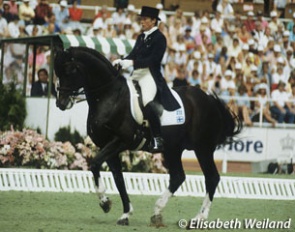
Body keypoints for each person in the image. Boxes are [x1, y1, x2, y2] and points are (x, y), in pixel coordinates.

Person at [112, 6, 180, 153]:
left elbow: (154, 60)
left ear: (153, 21)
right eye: (141, 19)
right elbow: (133, 54)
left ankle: (157, 138)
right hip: (137, 74)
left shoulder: (160, 38)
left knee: (147, 100)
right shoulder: (141, 37)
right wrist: (122, 61)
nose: (141, 22)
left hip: (150, 75)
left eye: (144, 19)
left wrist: (132, 63)